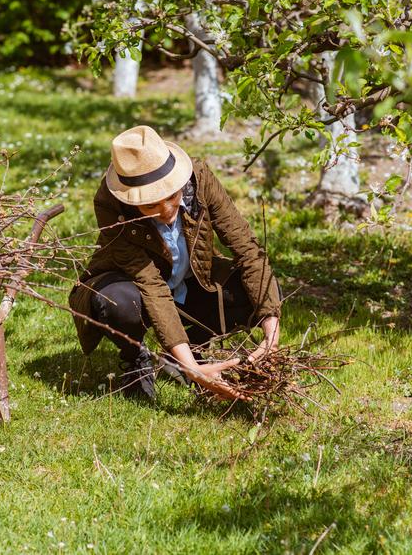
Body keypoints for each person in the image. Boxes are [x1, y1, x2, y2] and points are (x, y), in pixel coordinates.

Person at [68, 125, 282, 400]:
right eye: (151, 206)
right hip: (132, 288)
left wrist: (271, 337)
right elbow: (150, 283)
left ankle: (184, 349)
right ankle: (136, 358)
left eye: (172, 197)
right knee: (119, 304)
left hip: (190, 283)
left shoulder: (200, 178)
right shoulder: (111, 204)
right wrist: (193, 370)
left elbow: (248, 250)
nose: (167, 212)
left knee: (263, 289)